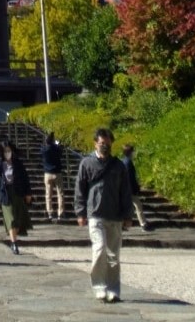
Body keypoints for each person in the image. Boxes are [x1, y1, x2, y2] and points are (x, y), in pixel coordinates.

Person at [75, 127, 137, 304]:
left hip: (115, 215)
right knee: (100, 249)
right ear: (95, 143)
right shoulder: (86, 164)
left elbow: (125, 192)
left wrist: (128, 215)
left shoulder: (119, 166)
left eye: (108, 144)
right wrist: (80, 212)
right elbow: (80, 189)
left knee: (113, 256)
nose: (105, 146)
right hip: (95, 214)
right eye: (102, 143)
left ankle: (113, 290)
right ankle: (99, 286)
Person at [0, 140, 34, 254]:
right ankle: (14, 243)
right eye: (5, 151)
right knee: (10, 219)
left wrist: (28, 193)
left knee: (17, 220)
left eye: (9, 151)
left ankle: (13, 238)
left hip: (18, 193)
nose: (7, 153)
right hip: (6, 195)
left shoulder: (18, 164)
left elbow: (25, 179)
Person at [120, 143, 150, 232]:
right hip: (129, 189)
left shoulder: (123, 162)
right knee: (138, 206)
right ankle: (143, 224)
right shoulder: (128, 163)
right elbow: (130, 178)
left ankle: (122, 224)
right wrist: (135, 188)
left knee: (126, 207)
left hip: (125, 189)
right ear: (130, 152)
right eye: (133, 151)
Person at [41, 131, 66, 222]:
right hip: (57, 172)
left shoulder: (44, 149)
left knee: (48, 194)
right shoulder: (56, 148)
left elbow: (42, 150)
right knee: (60, 194)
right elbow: (61, 153)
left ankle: (50, 212)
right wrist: (58, 145)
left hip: (47, 173)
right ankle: (60, 213)